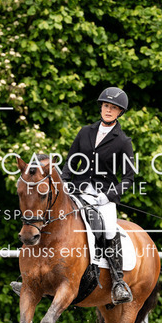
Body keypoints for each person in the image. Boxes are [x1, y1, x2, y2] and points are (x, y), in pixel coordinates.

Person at [60, 87, 135, 304]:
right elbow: (71, 161)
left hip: (103, 196)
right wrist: (64, 182)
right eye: (106, 106)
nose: (108, 110)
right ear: (101, 107)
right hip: (77, 191)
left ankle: (118, 282)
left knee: (109, 229)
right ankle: (30, 277)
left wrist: (109, 196)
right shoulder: (85, 132)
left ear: (120, 112)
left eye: (113, 108)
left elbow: (128, 178)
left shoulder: (123, 141)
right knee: (50, 217)